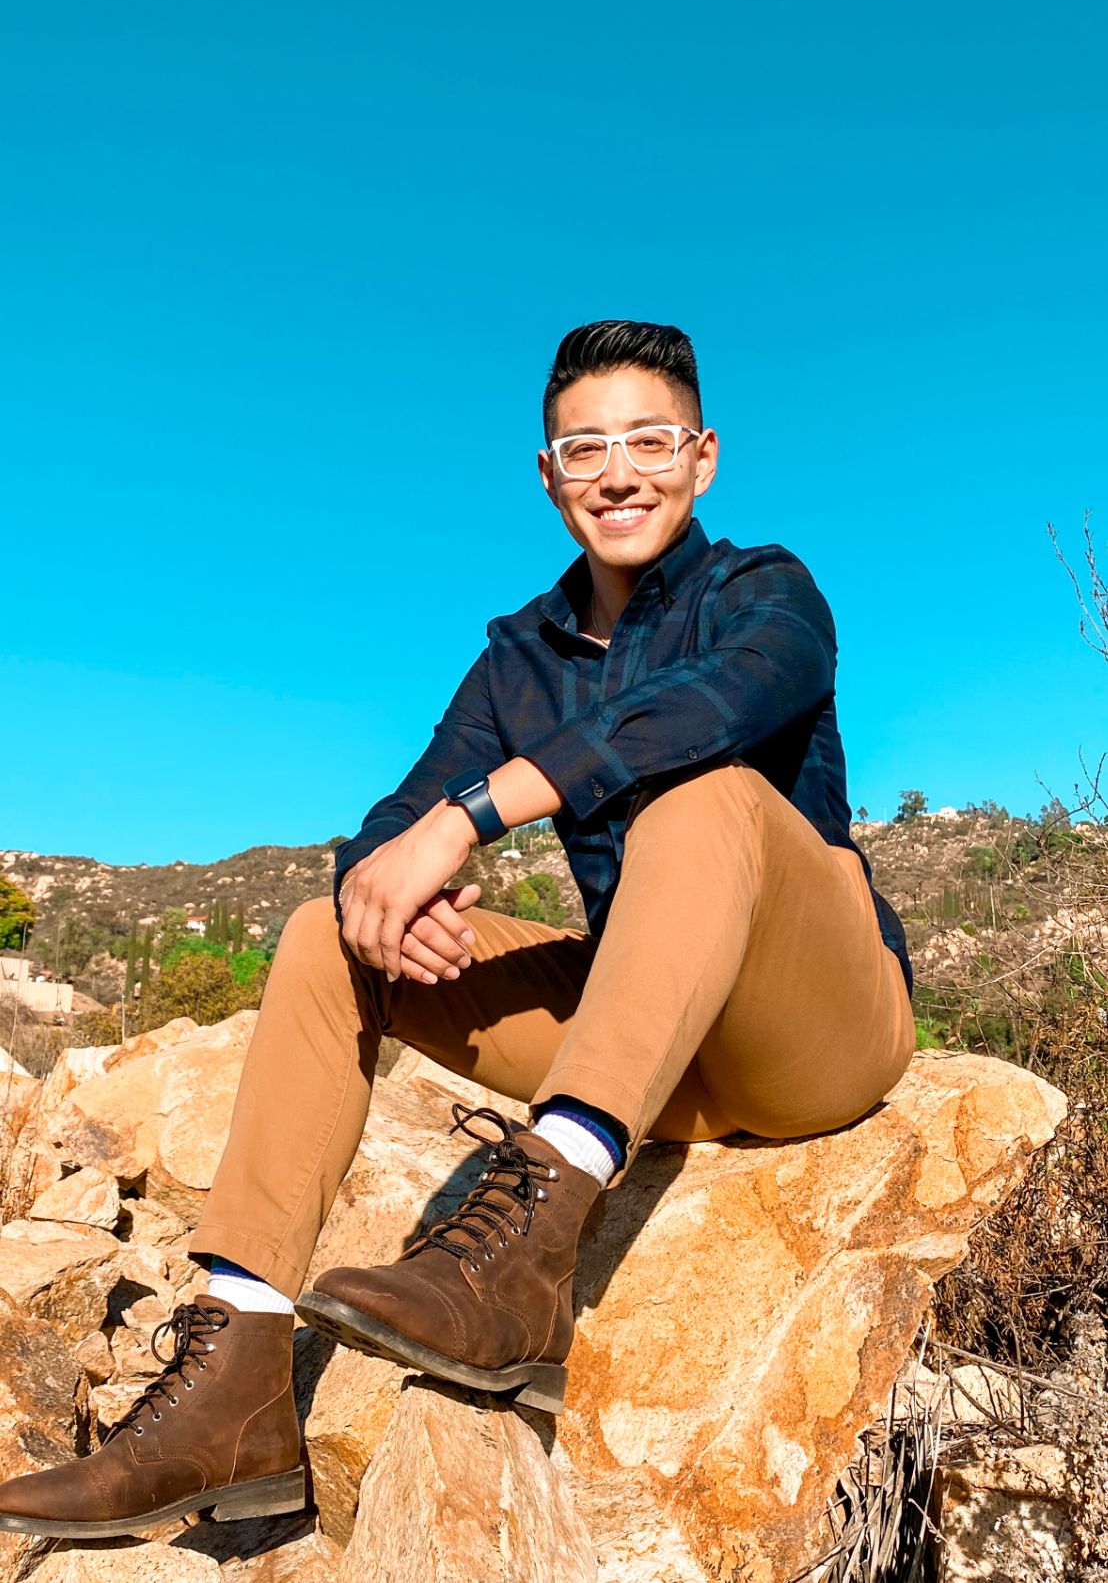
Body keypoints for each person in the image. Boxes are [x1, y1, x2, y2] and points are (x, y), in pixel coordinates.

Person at [0, 320, 915, 1539]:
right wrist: (385, 889)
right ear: (547, 475)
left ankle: (529, 1248)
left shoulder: (766, 592)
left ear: (702, 458)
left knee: (701, 797)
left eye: (649, 440)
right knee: (331, 932)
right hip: (647, 1046)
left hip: (811, 1031)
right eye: (584, 447)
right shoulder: (515, 658)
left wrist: (474, 818)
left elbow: (714, 705)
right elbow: (391, 821)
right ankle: (231, 1395)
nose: (619, 471)